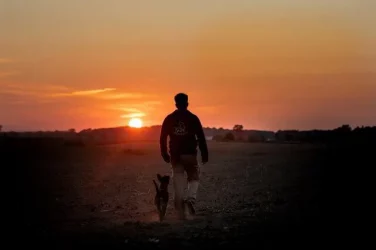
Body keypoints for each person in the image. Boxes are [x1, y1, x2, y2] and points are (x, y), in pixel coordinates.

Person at [159, 93, 209, 219]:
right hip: (190, 155)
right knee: (194, 178)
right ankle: (190, 200)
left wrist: (164, 153)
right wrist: (204, 154)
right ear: (187, 103)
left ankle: (180, 209)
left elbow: (162, 137)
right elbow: (201, 137)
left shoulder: (169, 118)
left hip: (175, 156)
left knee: (178, 181)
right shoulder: (193, 118)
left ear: (176, 104)